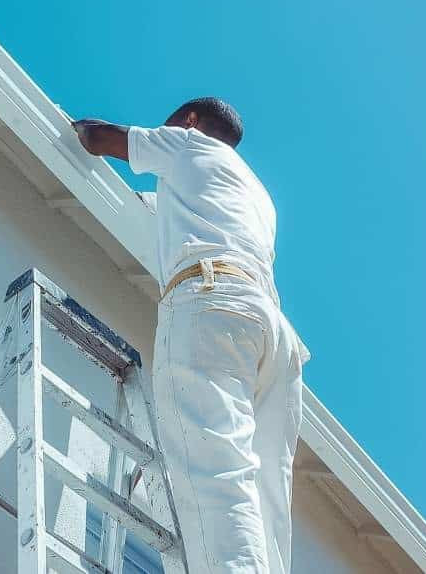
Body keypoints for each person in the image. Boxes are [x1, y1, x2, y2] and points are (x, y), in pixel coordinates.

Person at [72, 98, 311, 574]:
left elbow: (97, 137)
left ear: (192, 122)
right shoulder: (255, 196)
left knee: (215, 473)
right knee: (263, 497)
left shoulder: (188, 144)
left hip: (213, 301)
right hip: (273, 333)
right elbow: (170, 213)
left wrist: (73, 122)